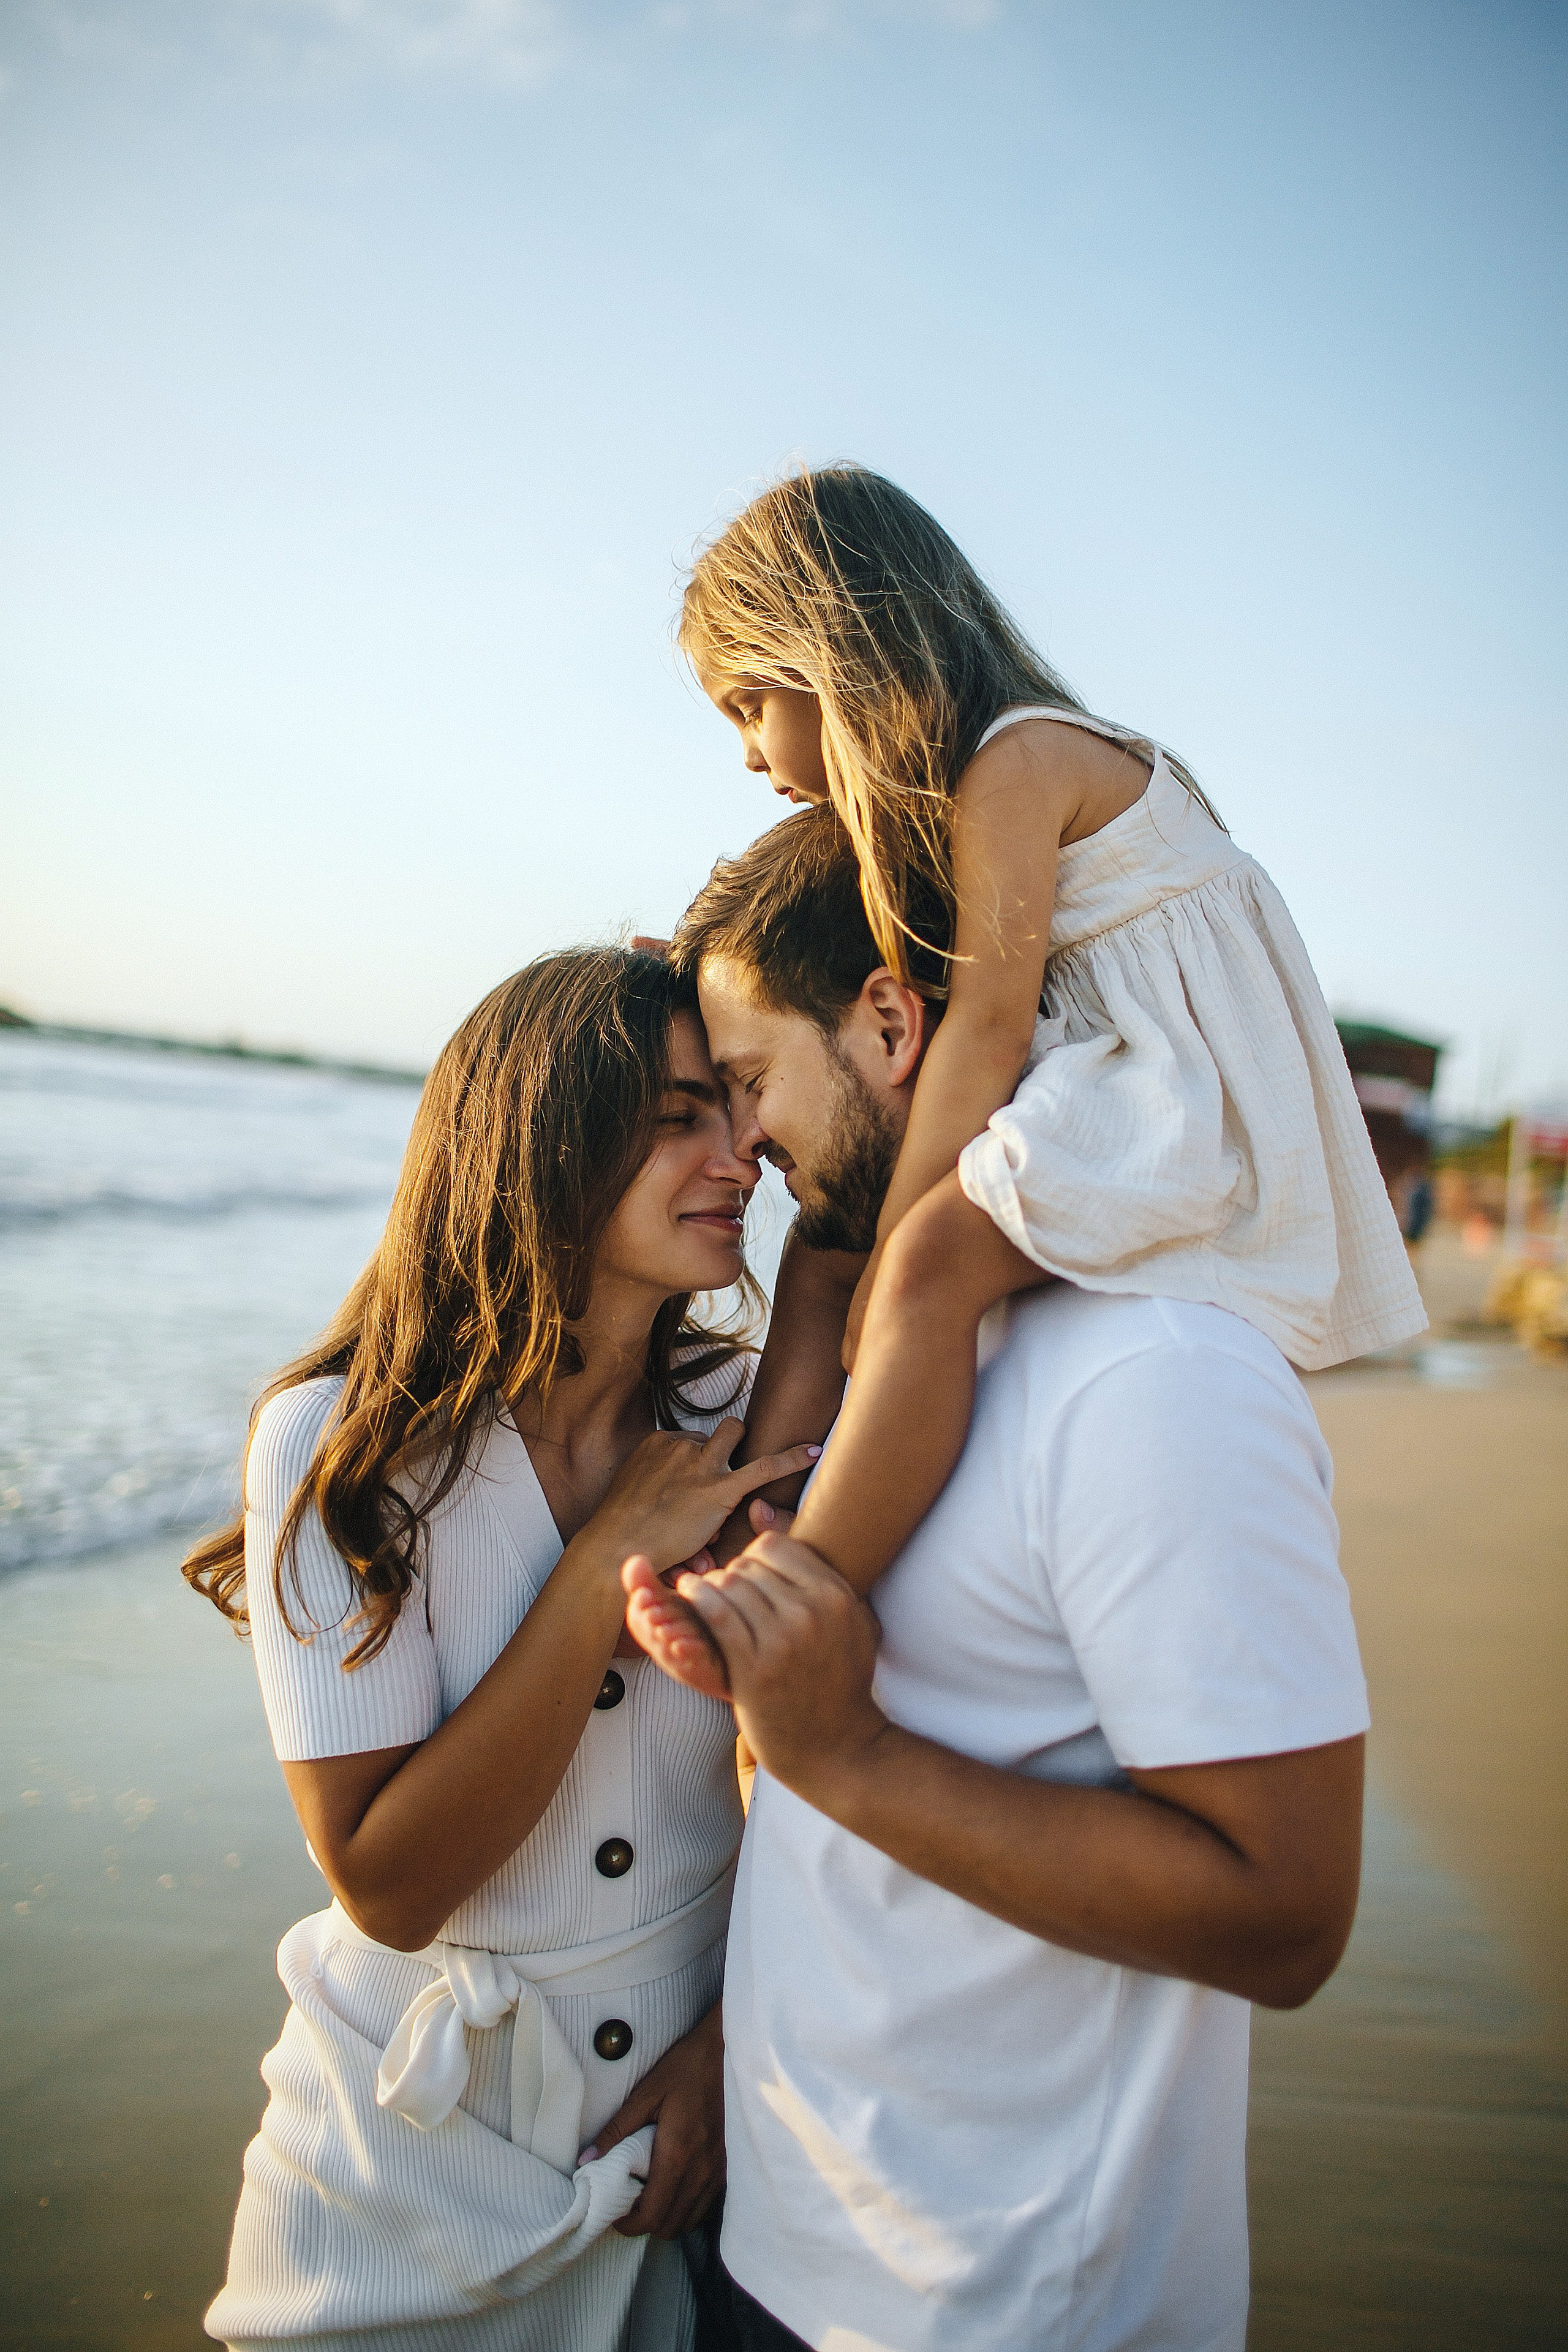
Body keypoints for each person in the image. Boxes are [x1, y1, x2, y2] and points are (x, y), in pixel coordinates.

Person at [625, 809, 1371, 2352]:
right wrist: (730, 2034)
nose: (744, 1151)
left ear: (893, 1019)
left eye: (754, 1083)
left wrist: (847, 1755)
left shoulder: (1154, 1377)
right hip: (778, 2230)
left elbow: (1284, 1912)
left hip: (997, 2302)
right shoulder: (900, 1356)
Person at [182, 948, 820, 2352]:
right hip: (396, 2179)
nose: (740, 1156)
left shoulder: (738, 1408)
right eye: (674, 1118)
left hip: (681, 2156)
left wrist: (725, 2043)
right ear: (540, 1138)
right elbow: (390, 1883)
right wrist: (600, 1567)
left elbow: (805, 1766)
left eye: (733, 1107)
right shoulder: (345, 1448)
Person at [680, 462, 1426, 1591]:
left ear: (828, 654)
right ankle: (767, 1501)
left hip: (1164, 1081)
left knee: (923, 1270)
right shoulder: (975, 785)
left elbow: (985, 1025)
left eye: (749, 705)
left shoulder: (1013, 761)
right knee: (841, 1245)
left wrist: (902, 1247)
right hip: (1120, 1059)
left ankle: (813, 1584)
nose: (745, 751)